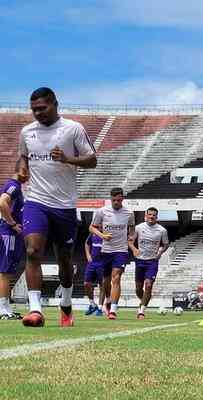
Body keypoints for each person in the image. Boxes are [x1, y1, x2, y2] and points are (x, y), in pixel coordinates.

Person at [19, 87, 97, 327]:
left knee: (64, 260)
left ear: (55, 104)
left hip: (64, 205)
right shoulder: (26, 132)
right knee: (32, 251)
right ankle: (35, 310)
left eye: (42, 108)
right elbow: (23, 157)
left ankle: (65, 303)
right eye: (34, 110)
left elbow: (92, 159)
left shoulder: (72, 128)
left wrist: (67, 158)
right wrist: (21, 169)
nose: (38, 113)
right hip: (35, 200)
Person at [89, 187, 135, 320]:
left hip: (120, 250)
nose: (116, 202)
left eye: (119, 200)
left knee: (116, 278)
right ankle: (108, 300)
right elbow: (91, 227)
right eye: (114, 200)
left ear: (123, 199)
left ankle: (113, 309)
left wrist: (131, 236)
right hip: (106, 251)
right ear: (110, 199)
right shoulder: (102, 211)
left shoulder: (129, 213)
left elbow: (132, 227)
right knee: (106, 281)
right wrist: (102, 235)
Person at [0, 162, 29, 319]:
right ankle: (3, 309)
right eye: (29, 173)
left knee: (8, 271)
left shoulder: (14, 186)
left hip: (9, 233)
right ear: (23, 171)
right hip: (8, 233)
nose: (30, 177)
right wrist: (12, 223)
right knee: (5, 271)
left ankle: (5, 307)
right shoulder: (14, 186)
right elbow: (2, 202)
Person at [130, 207, 169, 319]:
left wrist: (160, 252)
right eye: (150, 215)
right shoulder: (138, 228)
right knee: (138, 289)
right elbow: (130, 241)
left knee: (148, 285)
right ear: (145, 216)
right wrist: (134, 249)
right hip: (139, 261)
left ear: (157, 217)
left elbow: (166, 244)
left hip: (152, 261)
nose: (151, 217)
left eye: (154, 215)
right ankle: (143, 301)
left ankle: (141, 311)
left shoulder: (162, 230)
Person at [83, 233, 105, 316]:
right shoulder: (93, 233)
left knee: (102, 285)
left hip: (103, 263)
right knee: (86, 283)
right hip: (92, 263)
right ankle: (92, 304)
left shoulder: (107, 233)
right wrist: (88, 255)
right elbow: (86, 243)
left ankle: (100, 308)